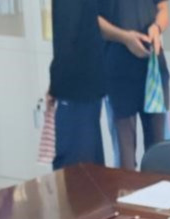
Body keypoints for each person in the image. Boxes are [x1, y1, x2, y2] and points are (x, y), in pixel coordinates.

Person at [99, 0, 170, 169]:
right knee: (125, 161)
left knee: (158, 156)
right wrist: (125, 38)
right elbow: (93, 21)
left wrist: (156, 28)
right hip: (118, 74)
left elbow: (164, 10)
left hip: (153, 71)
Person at [49, 0, 107, 169]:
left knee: (75, 169)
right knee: (91, 167)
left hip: (74, 86)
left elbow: (68, 35)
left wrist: (55, 84)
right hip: (89, 83)